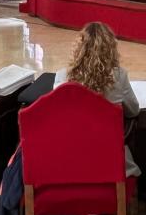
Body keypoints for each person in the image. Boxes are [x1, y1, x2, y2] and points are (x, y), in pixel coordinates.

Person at [54, 22, 141, 177]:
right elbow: (133, 111)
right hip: (108, 159)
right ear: (110, 49)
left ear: (79, 49)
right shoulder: (118, 76)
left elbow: (58, 117)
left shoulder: (62, 76)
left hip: (70, 159)